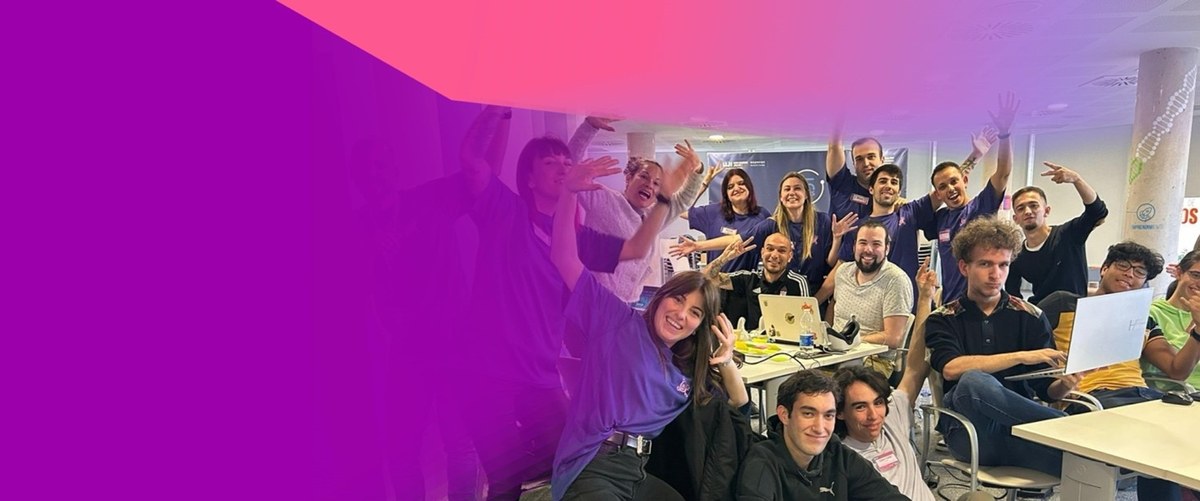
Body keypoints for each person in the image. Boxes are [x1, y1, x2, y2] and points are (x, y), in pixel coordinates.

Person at [458, 106, 691, 499]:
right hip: (489, 372)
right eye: (550, 163)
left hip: (540, 374)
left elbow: (636, 248)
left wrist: (666, 199)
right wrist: (498, 109)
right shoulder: (505, 210)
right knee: (505, 478)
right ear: (529, 178)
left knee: (571, 459)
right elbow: (471, 159)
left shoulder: (576, 237)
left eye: (567, 163)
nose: (562, 168)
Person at [549, 153, 749, 500]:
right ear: (661, 296)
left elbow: (739, 405)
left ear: (700, 325)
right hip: (592, 464)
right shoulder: (618, 321)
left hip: (639, 471)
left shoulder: (684, 368)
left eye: (695, 313)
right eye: (678, 300)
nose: (681, 315)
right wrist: (568, 193)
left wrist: (727, 360)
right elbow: (564, 258)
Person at [924, 216, 1083, 477]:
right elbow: (952, 369)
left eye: (1003, 265)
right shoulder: (943, 318)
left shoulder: (1031, 316)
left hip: (1018, 431)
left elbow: (1047, 391)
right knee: (973, 381)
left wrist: (1065, 384)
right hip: (969, 433)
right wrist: (1021, 356)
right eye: (985, 264)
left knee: (1086, 464)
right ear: (964, 267)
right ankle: (1064, 428)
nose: (995, 274)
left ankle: (1073, 441)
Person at [1040, 242, 1187, 501]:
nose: (1130, 274)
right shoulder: (1065, 302)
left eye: (1140, 272)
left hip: (1143, 397)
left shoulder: (1143, 318)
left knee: (1180, 431)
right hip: (1091, 398)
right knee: (1162, 442)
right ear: (1104, 269)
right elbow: (1027, 337)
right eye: (1123, 266)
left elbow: (1176, 369)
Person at [736, 370, 907, 500]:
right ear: (784, 415)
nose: (819, 428)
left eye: (828, 416)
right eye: (808, 414)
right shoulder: (761, 464)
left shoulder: (838, 454)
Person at [574, 137, 706, 301]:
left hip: (629, 303)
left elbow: (683, 201)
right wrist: (588, 128)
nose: (649, 185)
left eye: (657, 183)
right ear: (629, 178)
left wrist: (698, 168)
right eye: (644, 176)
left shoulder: (653, 216)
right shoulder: (605, 199)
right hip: (594, 298)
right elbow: (572, 172)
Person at [925, 93, 1019, 304]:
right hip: (951, 304)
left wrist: (1005, 135)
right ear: (938, 194)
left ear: (964, 181)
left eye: (954, 182)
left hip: (981, 302)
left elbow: (1003, 173)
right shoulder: (940, 218)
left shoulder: (980, 207)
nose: (950, 188)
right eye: (942, 187)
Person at [1005, 162, 1109, 303]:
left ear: (1046, 211)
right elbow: (1013, 296)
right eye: (1021, 208)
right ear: (1015, 218)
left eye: (1034, 205)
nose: (1028, 211)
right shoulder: (1017, 255)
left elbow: (1097, 212)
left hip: (1073, 311)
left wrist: (1077, 180)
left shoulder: (1069, 234)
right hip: (1041, 312)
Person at [833, 364, 937, 501]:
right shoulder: (842, 459)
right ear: (840, 412)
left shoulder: (892, 418)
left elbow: (915, 370)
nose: (873, 415)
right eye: (860, 407)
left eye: (878, 403)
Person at [831, 221, 915, 377]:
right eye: (862, 243)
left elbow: (893, 338)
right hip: (834, 355)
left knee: (833, 381)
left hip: (874, 361)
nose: (868, 250)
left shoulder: (896, 280)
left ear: (887, 248)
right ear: (854, 246)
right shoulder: (842, 272)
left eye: (876, 244)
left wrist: (850, 341)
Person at [702, 233, 809, 331]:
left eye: (781, 251)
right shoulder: (748, 278)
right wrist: (724, 258)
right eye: (770, 249)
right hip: (753, 342)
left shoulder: (798, 282)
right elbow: (707, 278)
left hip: (786, 343)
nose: (774, 255)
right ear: (762, 252)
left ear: (790, 256)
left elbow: (807, 323)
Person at [679, 167, 772, 272]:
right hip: (714, 279)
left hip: (746, 280)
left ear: (749, 187)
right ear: (726, 194)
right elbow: (680, 211)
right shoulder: (713, 212)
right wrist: (704, 184)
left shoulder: (762, 215)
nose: (736, 188)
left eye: (741, 183)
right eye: (730, 187)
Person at [1145, 250, 1200, 390]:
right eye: (1196, 275)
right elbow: (1176, 371)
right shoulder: (1152, 313)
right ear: (1179, 273)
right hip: (1177, 393)